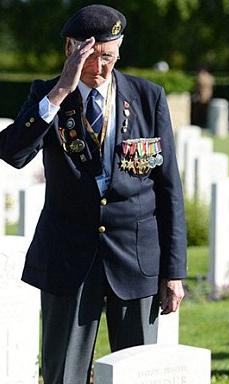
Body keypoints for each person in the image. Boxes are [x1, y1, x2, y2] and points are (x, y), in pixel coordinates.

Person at [0, 4, 187, 384]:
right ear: (71, 48)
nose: (101, 69)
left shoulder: (148, 96)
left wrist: (174, 271)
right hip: (68, 259)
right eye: (92, 57)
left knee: (138, 373)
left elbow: (168, 188)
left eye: (109, 57)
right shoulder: (46, 95)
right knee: (62, 373)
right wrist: (60, 92)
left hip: (135, 260)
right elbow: (13, 152)